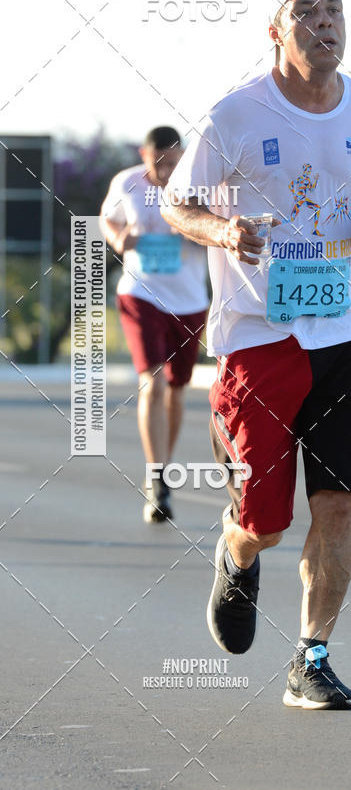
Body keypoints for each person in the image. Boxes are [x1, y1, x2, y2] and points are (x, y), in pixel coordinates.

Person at [162, 0, 351, 709]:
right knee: (265, 524)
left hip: (344, 331)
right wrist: (220, 228)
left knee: (338, 500)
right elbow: (180, 205)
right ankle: (237, 553)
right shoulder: (234, 116)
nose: (324, 22)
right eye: (305, 10)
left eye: (334, 9)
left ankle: (312, 655)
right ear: (275, 30)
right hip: (257, 339)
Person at [100, 126, 209, 524]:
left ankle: (165, 462)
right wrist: (118, 239)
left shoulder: (199, 185)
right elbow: (107, 219)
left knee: (176, 390)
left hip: (190, 300)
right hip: (141, 294)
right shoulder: (126, 182)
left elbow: (217, 230)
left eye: (174, 162)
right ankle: (157, 476)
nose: (166, 170)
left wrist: (195, 231)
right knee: (153, 379)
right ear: (145, 155)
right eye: (158, 162)